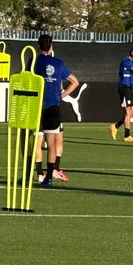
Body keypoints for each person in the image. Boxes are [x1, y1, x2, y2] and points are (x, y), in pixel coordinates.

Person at [35, 35, 80, 186]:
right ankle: (48, 177)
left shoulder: (34, 62)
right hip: (53, 106)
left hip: (37, 106)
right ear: (51, 46)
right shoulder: (58, 63)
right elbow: (75, 82)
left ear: (38, 46)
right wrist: (62, 95)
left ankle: (38, 174)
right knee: (52, 143)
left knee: (36, 142)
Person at [110, 46, 133, 143]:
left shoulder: (131, 62)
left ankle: (115, 126)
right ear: (131, 52)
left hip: (128, 88)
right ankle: (127, 136)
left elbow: (127, 77)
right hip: (124, 88)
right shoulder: (126, 61)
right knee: (128, 112)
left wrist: (132, 90)